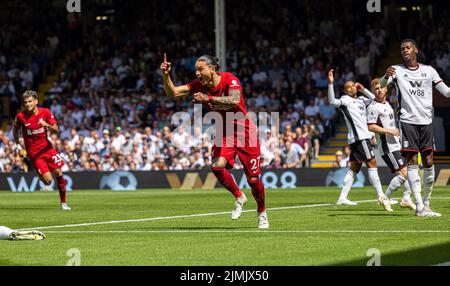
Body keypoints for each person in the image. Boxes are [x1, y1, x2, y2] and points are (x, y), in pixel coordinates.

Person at [160, 54, 268, 228]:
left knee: (253, 180)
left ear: (211, 69)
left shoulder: (229, 79)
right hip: (224, 132)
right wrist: (166, 75)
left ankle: (262, 212)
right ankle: (240, 196)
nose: (197, 73)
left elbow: (233, 100)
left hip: (245, 131)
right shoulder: (198, 85)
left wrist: (208, 98)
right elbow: (172, 92)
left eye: (200, 69)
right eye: (195, 69)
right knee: (217, 166)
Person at [380, 39, 450, 217]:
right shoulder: (396, 70)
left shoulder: (429, 71)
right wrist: (385, 76)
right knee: (412, 163)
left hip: (426, 122)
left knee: (428, 162)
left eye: (408, 47)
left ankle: (427, 204)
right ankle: (419, 206)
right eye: (402, 48)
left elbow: (446, 92)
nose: (405, 50)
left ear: (416, 50)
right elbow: (380, 86)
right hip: (407, 121)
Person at [327, 69, 391, 210]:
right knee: (372, 163)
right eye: (348, 87)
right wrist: (331, 83)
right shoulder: (345, 101)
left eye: (353, 85)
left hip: (360, 139)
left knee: (354, 169)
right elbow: (332, 101)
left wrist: (364, 90)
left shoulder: (362, 100)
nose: (351, 87)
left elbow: (376, 100)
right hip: (360, 138)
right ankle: (381, 196)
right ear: (345, 91)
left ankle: (342, 197)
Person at [13, 90, 71, 210]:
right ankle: (38, 170)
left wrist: (46, 125)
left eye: (30, 101)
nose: (28, 104)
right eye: (25, 102)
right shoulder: (20, 116)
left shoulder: (45, 112)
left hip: (47, 148)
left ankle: (63, 203)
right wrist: (18, 146)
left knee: (58, 172)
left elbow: (56, 130)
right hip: (34, 153)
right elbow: (15, 130)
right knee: (48, 181)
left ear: (36, 102)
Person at [366, 78, 415, 211]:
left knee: (409, 171)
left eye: (381, 88)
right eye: (376, 89)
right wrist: (389, 131)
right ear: (373, 91)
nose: (379, 90)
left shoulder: (387, 104)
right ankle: (385, 197)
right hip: (387, 147)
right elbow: (370, 126)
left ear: (386, 89)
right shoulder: (373, 107)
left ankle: (406, 198)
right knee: (404, 173)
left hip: (396, 144)